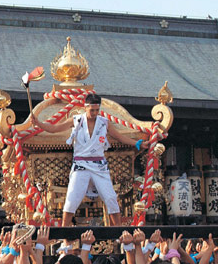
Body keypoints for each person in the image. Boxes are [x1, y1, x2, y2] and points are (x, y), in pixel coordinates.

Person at [31, 93, 149, 226]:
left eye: (97, 110)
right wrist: (38, 123)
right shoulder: (76, 120)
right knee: (71, 199)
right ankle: (64, 234)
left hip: (99, 166)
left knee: (111, 198)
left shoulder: (104, 122)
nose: (94, 113)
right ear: (85, 107)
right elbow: (54, 129)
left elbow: (120, 137)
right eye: (92, 110)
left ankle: (118, 231)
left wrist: (137, 144)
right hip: (80, 165)